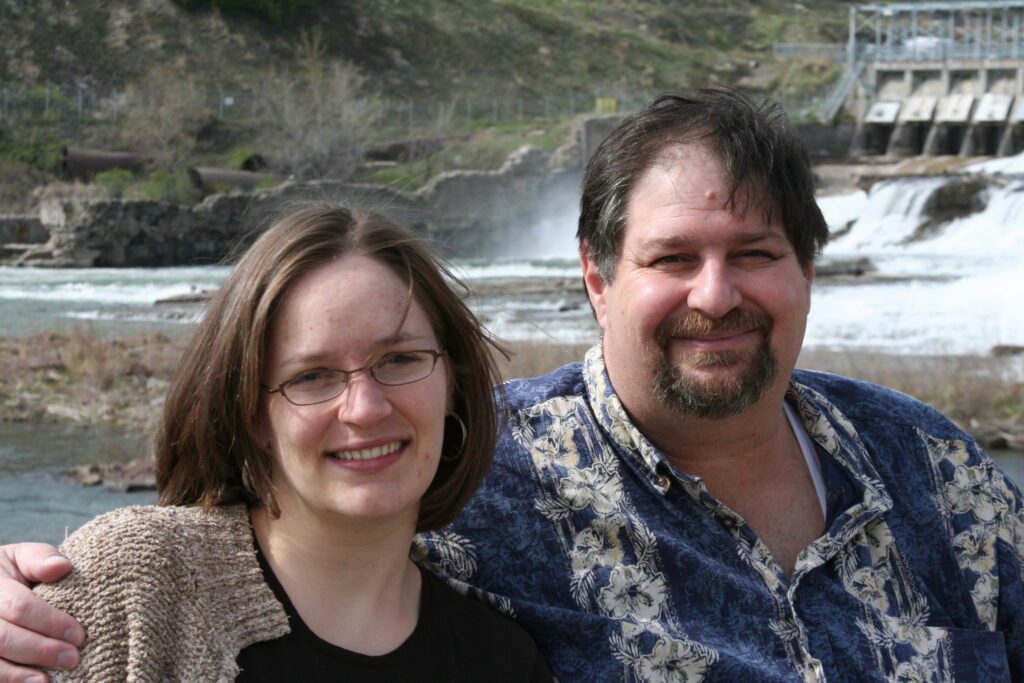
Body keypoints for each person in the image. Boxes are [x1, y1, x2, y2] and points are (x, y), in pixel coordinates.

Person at [1, 89, 1021, 681]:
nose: (718, 294)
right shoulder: (478, 470)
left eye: (753, 251)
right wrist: (31, 591)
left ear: (805, 264)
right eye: (672, 258)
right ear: (595, 275)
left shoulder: (934, 469)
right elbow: (259, 546)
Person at [0, 204, 551, 682]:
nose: (365, 408)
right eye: (311, 376)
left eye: (400, 360)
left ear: (451, 383)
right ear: (252, 415)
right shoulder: (134, 587)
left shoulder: (502, 660)